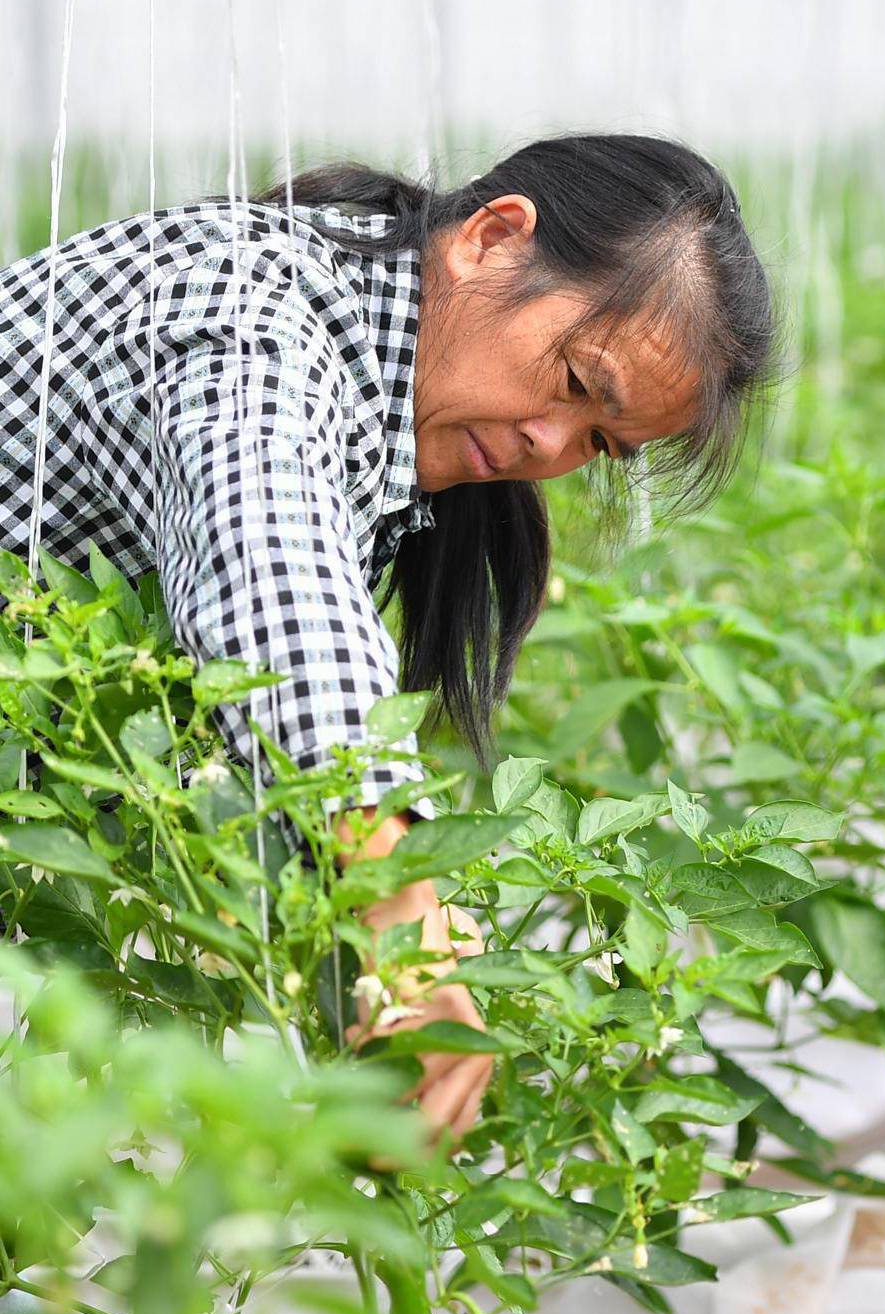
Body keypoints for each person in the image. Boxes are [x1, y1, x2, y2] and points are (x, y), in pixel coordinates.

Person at [0, 133, 777, 1143]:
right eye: (578, 381)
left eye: (595, 443)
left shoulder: (380, 407)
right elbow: (270, 566)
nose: (549, 445)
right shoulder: (247, 306)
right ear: (491, 239)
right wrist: (399, 904)